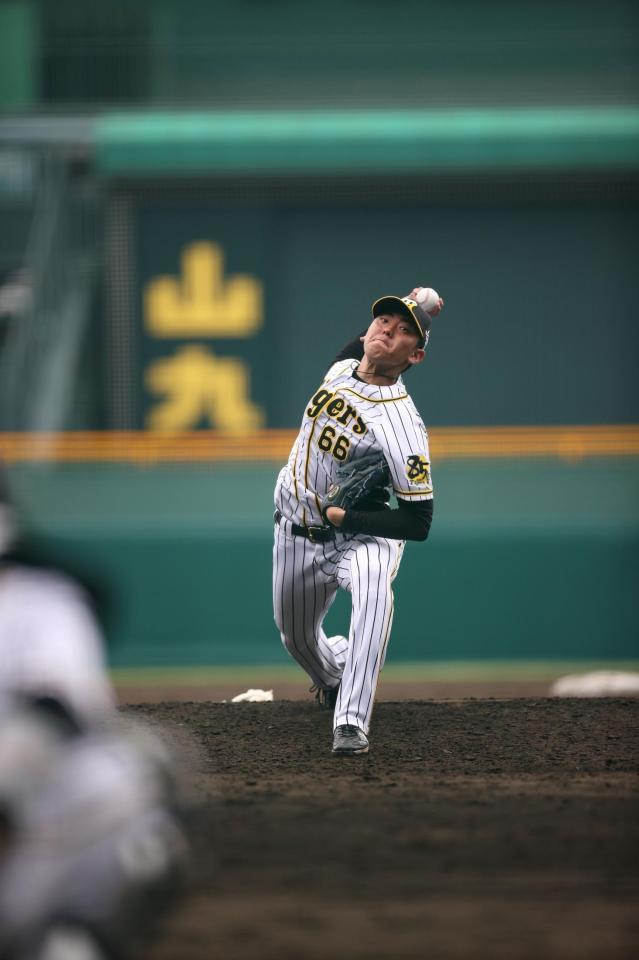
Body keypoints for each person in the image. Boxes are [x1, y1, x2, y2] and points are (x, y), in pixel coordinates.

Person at [273, 286, 444, 755]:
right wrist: (417, 303)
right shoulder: (342, 368)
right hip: (295, 531)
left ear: (417, 355)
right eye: (384, 320)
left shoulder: (404, 427)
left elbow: (419, 521)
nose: (389, 329)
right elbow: (368, 346)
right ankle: (334, 675)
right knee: (297, 639)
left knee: (373, 589)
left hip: (362, 535)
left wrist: (348, 515)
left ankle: (351, 722)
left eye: (405, 329)